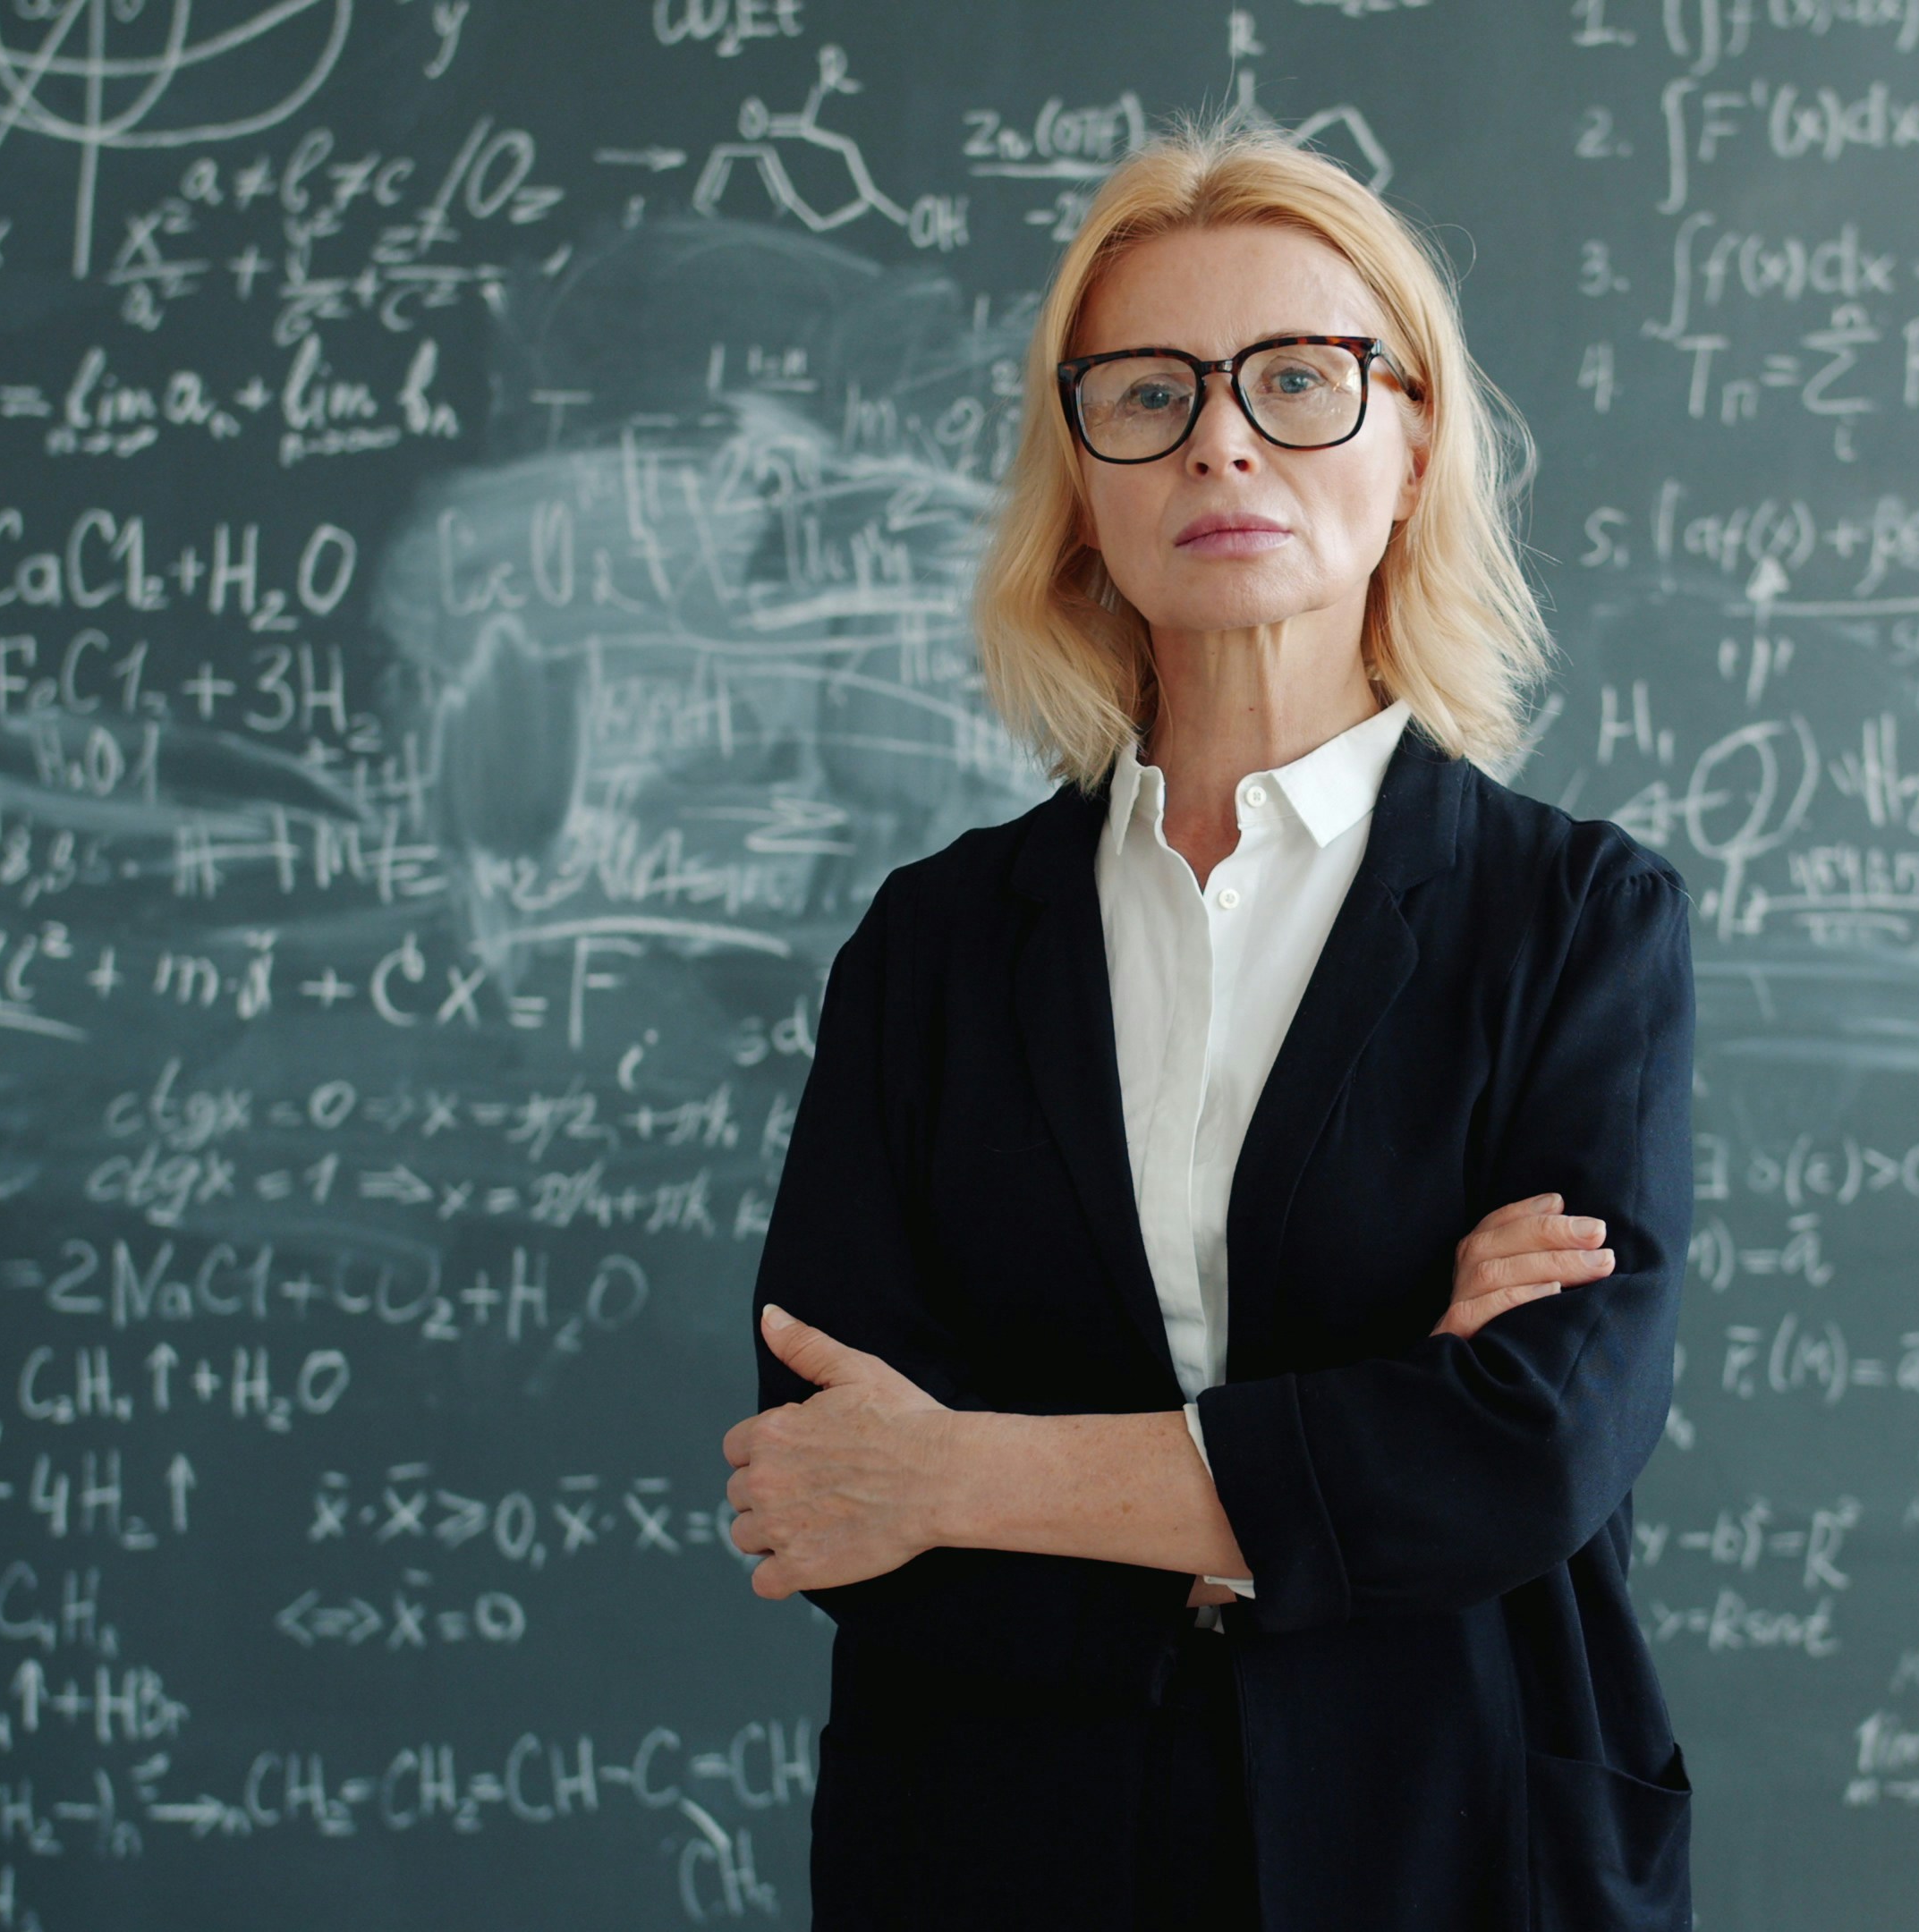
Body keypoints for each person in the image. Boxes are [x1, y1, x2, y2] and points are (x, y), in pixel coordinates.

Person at [722, 115, 1697, 1931]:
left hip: (1450, 1844)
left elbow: (1530, 1450)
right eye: (1149, 393)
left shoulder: (1573, 920)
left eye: (1301, 381)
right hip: (998, 1851)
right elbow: (825, 1480)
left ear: (1411, 448)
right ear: (1081, 478)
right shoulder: (934, 949)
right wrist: (1349, 1458)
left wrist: (969, 1470)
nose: (1224, 438)